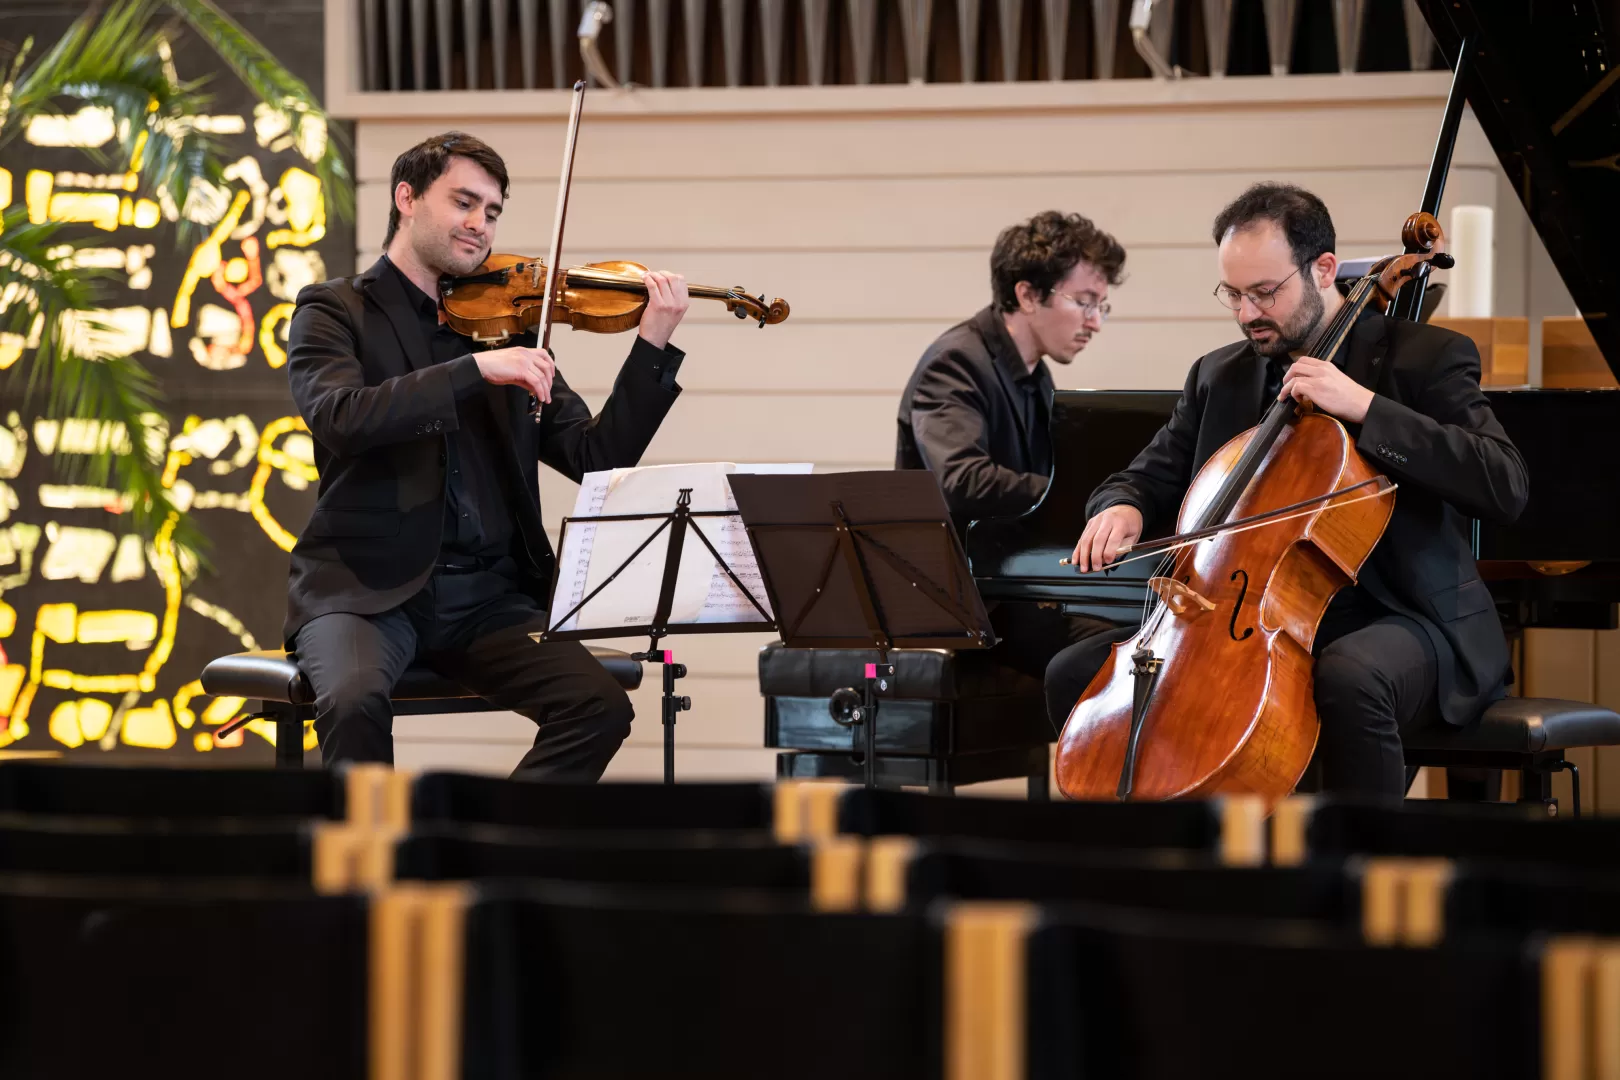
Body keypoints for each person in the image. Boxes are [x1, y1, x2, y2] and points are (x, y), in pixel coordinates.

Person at [1045, 183, 1528, 796]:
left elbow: (1504, 482)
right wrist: (1121, 506)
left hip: (1406, 616)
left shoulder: (1424, 358)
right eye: (1233, 294)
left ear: (1323, 269)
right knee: (1074, 674)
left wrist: (1365, 407)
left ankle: (1366, 854)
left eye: (1265, 292)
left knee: (1350, 676)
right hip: (1254, 619)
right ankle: (1162, 849)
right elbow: (1145, 476)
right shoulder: (1219, 375)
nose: (1247, 313)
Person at [283, 131, 691, 780]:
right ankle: (374, 846)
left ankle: (486, 838)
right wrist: (472, 371)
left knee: (598, 707)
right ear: (407, 198)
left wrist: (652, 347)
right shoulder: (335, 310)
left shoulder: (507, 327)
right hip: (365, 591)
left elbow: (595, 457)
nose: (480, 224)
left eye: (493, 211)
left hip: (486, 599)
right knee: (355, 702)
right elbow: (341, 418)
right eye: (464, 202)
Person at [895, 210, 1127, 682]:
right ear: (1027, 294)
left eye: (1101, 306)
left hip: (1014, 584)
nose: (1095, 322)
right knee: (1113, 657)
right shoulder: (957, 362)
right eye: (1084, 302)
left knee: (1147, 629)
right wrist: (1074, 499)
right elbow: (962, 479)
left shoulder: (1036, 374)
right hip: (967, 599)